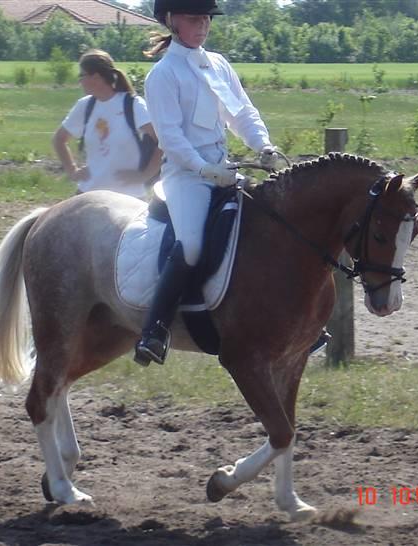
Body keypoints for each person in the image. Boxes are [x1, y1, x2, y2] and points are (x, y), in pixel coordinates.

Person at [133, 0, 279, 366]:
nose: (202, 25)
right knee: (193, 245)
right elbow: (170, 139)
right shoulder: (163, 75)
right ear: (170, 20)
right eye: (193, 18)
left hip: (225, 168)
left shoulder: (218, 65)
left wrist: (264, 145)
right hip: (186, 177)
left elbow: (242, 112)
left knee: (269, 224)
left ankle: (287, 317)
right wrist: (203, 170)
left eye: (206, 18)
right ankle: (155, 329)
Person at [52, 49, 162, 199]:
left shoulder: (133, 105)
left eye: (82, 75)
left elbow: (162, 142)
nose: (80, 81)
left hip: (129, 196)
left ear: (96, 77)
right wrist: (72, 171)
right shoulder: (85, 106)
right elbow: (59, 139)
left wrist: (144, 176)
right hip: (89, 194)